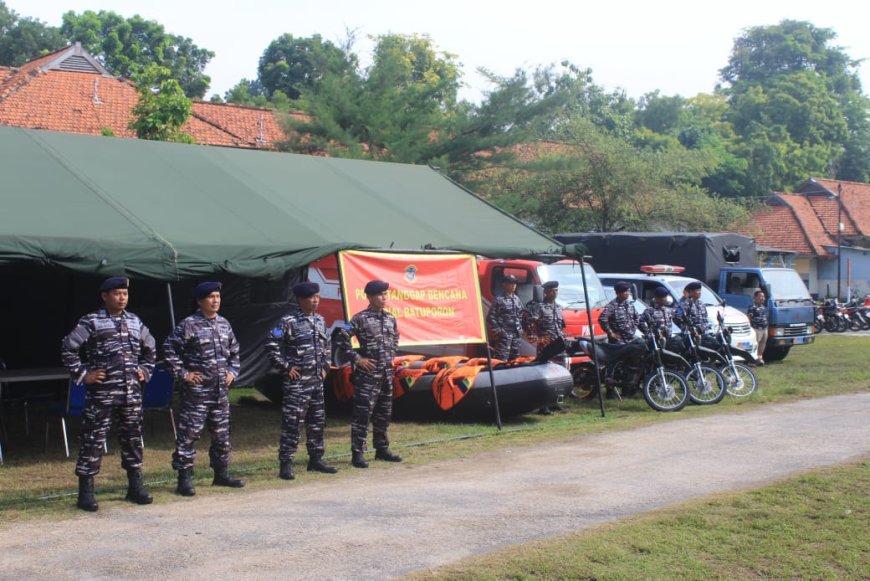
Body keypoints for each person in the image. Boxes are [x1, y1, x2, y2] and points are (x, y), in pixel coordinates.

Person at [61, 276, 156, 512]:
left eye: (124, 293)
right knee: (93, 440)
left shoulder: (135, 321)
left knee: (133, 439)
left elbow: (151, 347)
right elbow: (68, 347)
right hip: (102, 394)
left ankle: (135, 487)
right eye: (116, 293)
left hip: (131, 394)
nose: (122, 298)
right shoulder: (91, 321)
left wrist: (144, 370)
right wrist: (84, 374)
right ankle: (86, 492)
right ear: (105, 296)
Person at [163, 281, 244, 496]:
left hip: (220, 392)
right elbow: (169, 350)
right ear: (200, 301)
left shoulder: (224, 324)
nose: (215, 301)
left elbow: (235, 352)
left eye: (217, 296)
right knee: (189, 435)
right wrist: (183, 374)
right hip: (197, 394)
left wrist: (232, 372)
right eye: (210, 297)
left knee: (222, 435)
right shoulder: (189, 325)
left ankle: (221, 473)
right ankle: (184, 478)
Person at [265, 281, 337, 480]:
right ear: (300, 299)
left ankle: (316, 459)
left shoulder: (320, 320)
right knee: (293, 423)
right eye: (311, 297)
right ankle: (286, 463)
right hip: (297, 384)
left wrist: (325, 367)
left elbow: (327, 346)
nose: (315, 301)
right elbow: (271, 344)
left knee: (317, 422)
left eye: (317, 297)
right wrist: (286, 367)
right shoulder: (288, 321)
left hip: (316, 382)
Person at [335, 280, 402, 468]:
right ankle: (358, 453)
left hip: (386, 374)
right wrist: (357, 359)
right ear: (370, 297)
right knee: (363, 414)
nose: (384, 297)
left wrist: (391, 354)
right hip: (368, 376)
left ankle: (382, 448)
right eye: (380, 294)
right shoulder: (360, 319)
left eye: (385, 294)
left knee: (383, 413)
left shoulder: (390, 318)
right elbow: (342, 338)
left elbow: (395, 337)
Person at [524, 280, 567, 414]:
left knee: (560, 376)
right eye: (553, 290)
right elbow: (526, 322)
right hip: (546, 346)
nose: (555, 292)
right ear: (546, 292)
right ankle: (544, 406)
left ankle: (556, 403)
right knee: (546, 376)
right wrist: (537, 338)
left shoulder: (559, 307)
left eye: (557, 290)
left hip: (559, 346)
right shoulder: (539, 307)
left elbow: (562, 326)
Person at [486, 274, 524, 361]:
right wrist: (499, 331)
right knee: (501, 360)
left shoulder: (516, 299)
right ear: (504, 285)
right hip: (504, 337)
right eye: (511, 283)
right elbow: (490, 317)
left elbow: (520, 315)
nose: (514, 285)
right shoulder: (499, 299)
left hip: (516, 336)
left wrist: (520, 328)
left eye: (515, 283)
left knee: (515, 361)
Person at [747, 289, 769, 365]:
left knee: (762, 344)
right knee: (755, 344)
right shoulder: (752, 307)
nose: (763, 298)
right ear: (756, 297)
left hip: (764, 329)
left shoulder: (764, 307)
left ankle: (759, 358)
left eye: (763, 296)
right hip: (756, 329)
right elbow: (749, 318)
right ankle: (752, 360)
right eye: (761, 296)